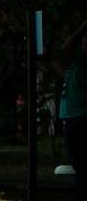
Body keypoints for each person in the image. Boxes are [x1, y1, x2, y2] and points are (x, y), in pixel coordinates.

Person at [53, 18, 87, 201]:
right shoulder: (77, 65)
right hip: (73, 119)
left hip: (80, 119)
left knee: (81, 164)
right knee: (79, 164)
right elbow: (62, 69)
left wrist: (81, 28)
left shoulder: (84, 61)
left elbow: (65, 49)